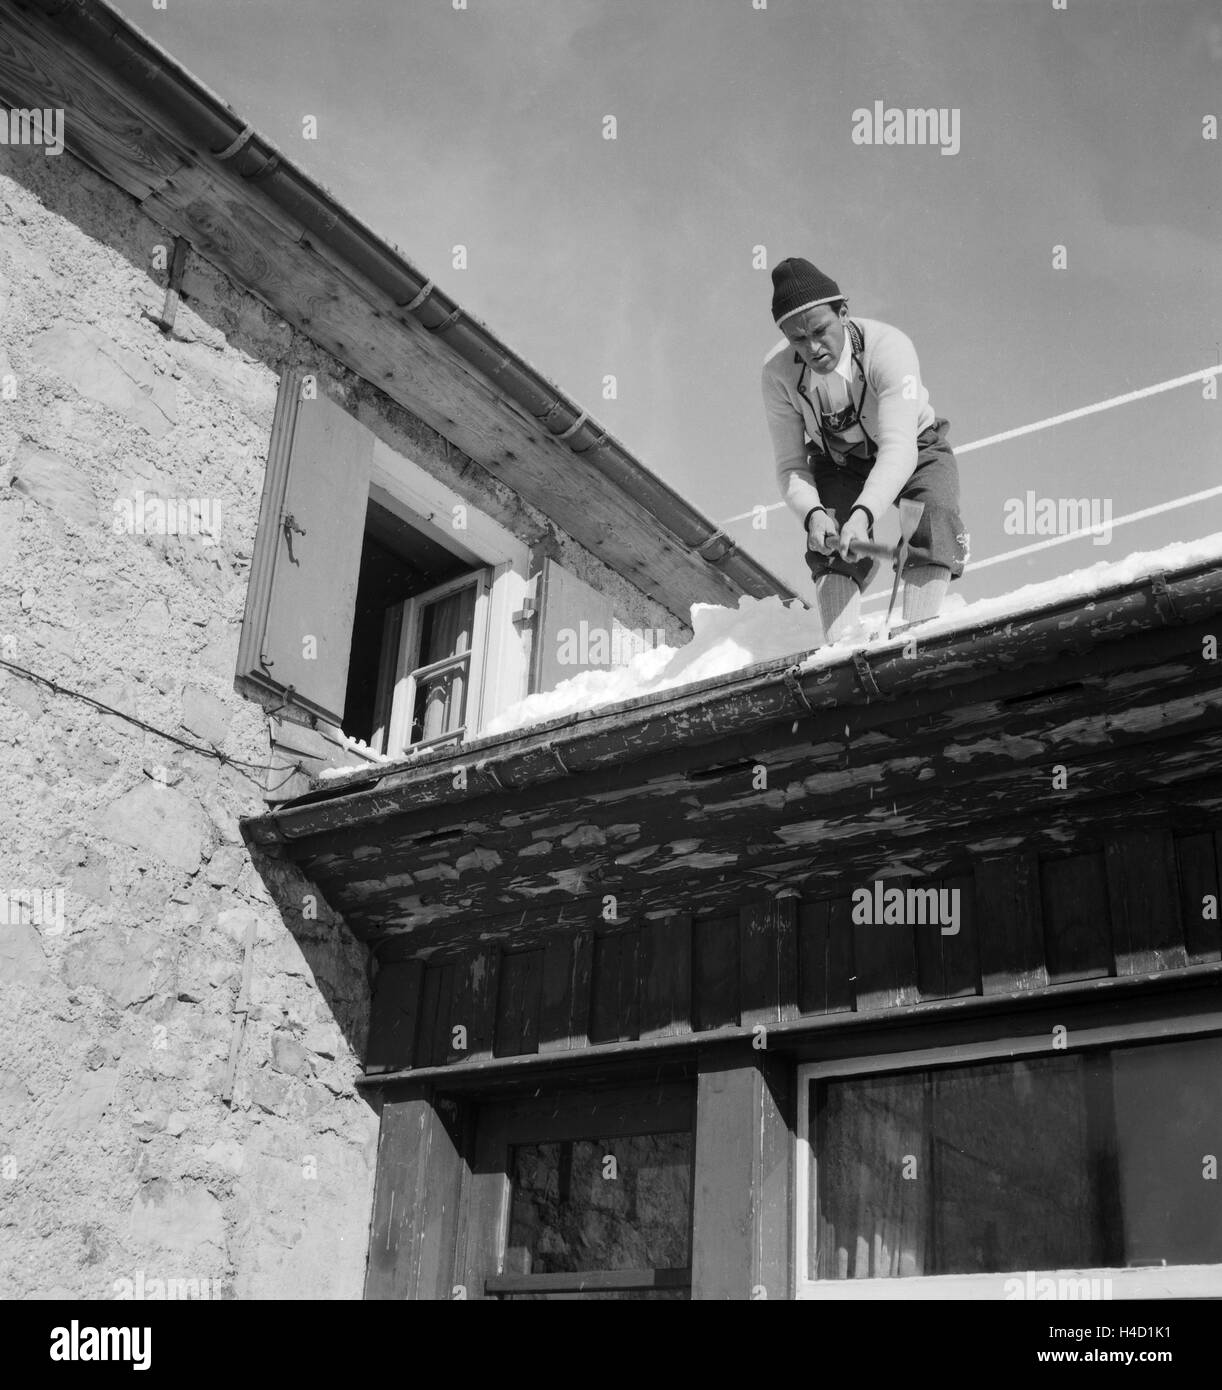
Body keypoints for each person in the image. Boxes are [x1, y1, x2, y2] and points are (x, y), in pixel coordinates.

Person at [761, 257, 968, 641]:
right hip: (838, 461)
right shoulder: (776, 375)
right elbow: (791, 464)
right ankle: (839, 648)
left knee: (934, 515)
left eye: (820, 331)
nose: (813, 347)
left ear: (843, 312)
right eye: (798, 340)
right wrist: (812, 515)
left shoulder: (890, 348)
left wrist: (863, 514)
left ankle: (915, 637)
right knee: (829, 542)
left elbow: (898, 448)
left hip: (913, 445)